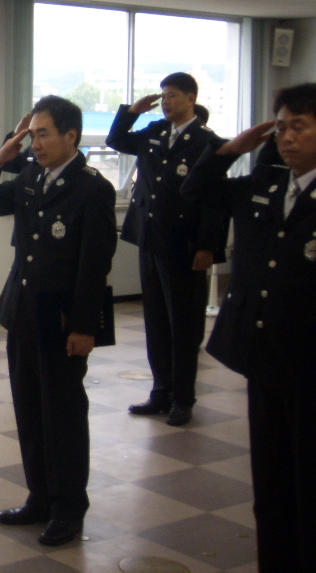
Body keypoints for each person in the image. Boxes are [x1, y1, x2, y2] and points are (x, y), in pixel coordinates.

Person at [181, 82, 316, 572]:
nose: (286, 137)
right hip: (264, 357)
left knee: (308, 488)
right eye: (280, 127)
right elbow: (196, 191)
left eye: (299, 126)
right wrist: (230, 150)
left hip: (309, 363)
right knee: (272, 486)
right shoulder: (267, 184)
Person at [0, 96, 116, 546]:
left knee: (63, 416)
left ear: (71, 135)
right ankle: (39, 497)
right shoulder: (31, 175)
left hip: (63, 317)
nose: (35, 144)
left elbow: (94, 263)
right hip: (24, 310)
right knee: (30, 410)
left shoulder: (92, 188)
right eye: (32, 135)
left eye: (44, 134)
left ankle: (69, 508)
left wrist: (84, 326)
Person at [105, 72, 224, 426]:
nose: (166, 101)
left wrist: (208, 246)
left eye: (172, 95)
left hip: (184, 243)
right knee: (156, 321)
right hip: (150, 237)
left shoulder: (207, 142)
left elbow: (215, 200)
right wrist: (132, 112)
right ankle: (160, 392)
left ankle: (183, 399)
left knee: (183, 325)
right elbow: (116, 140)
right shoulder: (155, 131)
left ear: (190, 99)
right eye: (163, 95)